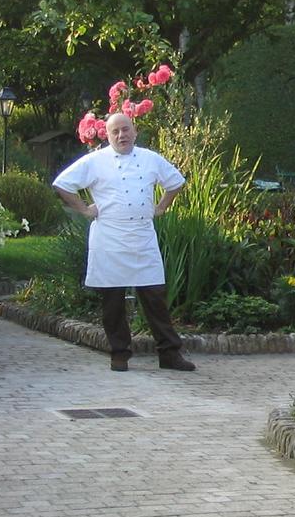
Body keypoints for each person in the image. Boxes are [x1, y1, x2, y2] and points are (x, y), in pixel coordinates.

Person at [52, 112, 196, 372]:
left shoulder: (151, 159)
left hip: (142, 237)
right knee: (113, 300)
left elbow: (175, 182)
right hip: (110, 238)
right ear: (107, 136)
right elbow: (63, 184)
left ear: (135, 131)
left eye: (125, 130)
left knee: (155, 298)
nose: (122, 136)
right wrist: (85, 209)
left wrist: (161, 207)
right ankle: (119, 354)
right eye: (115, 132)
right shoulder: (95, 161)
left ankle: (170, 354)